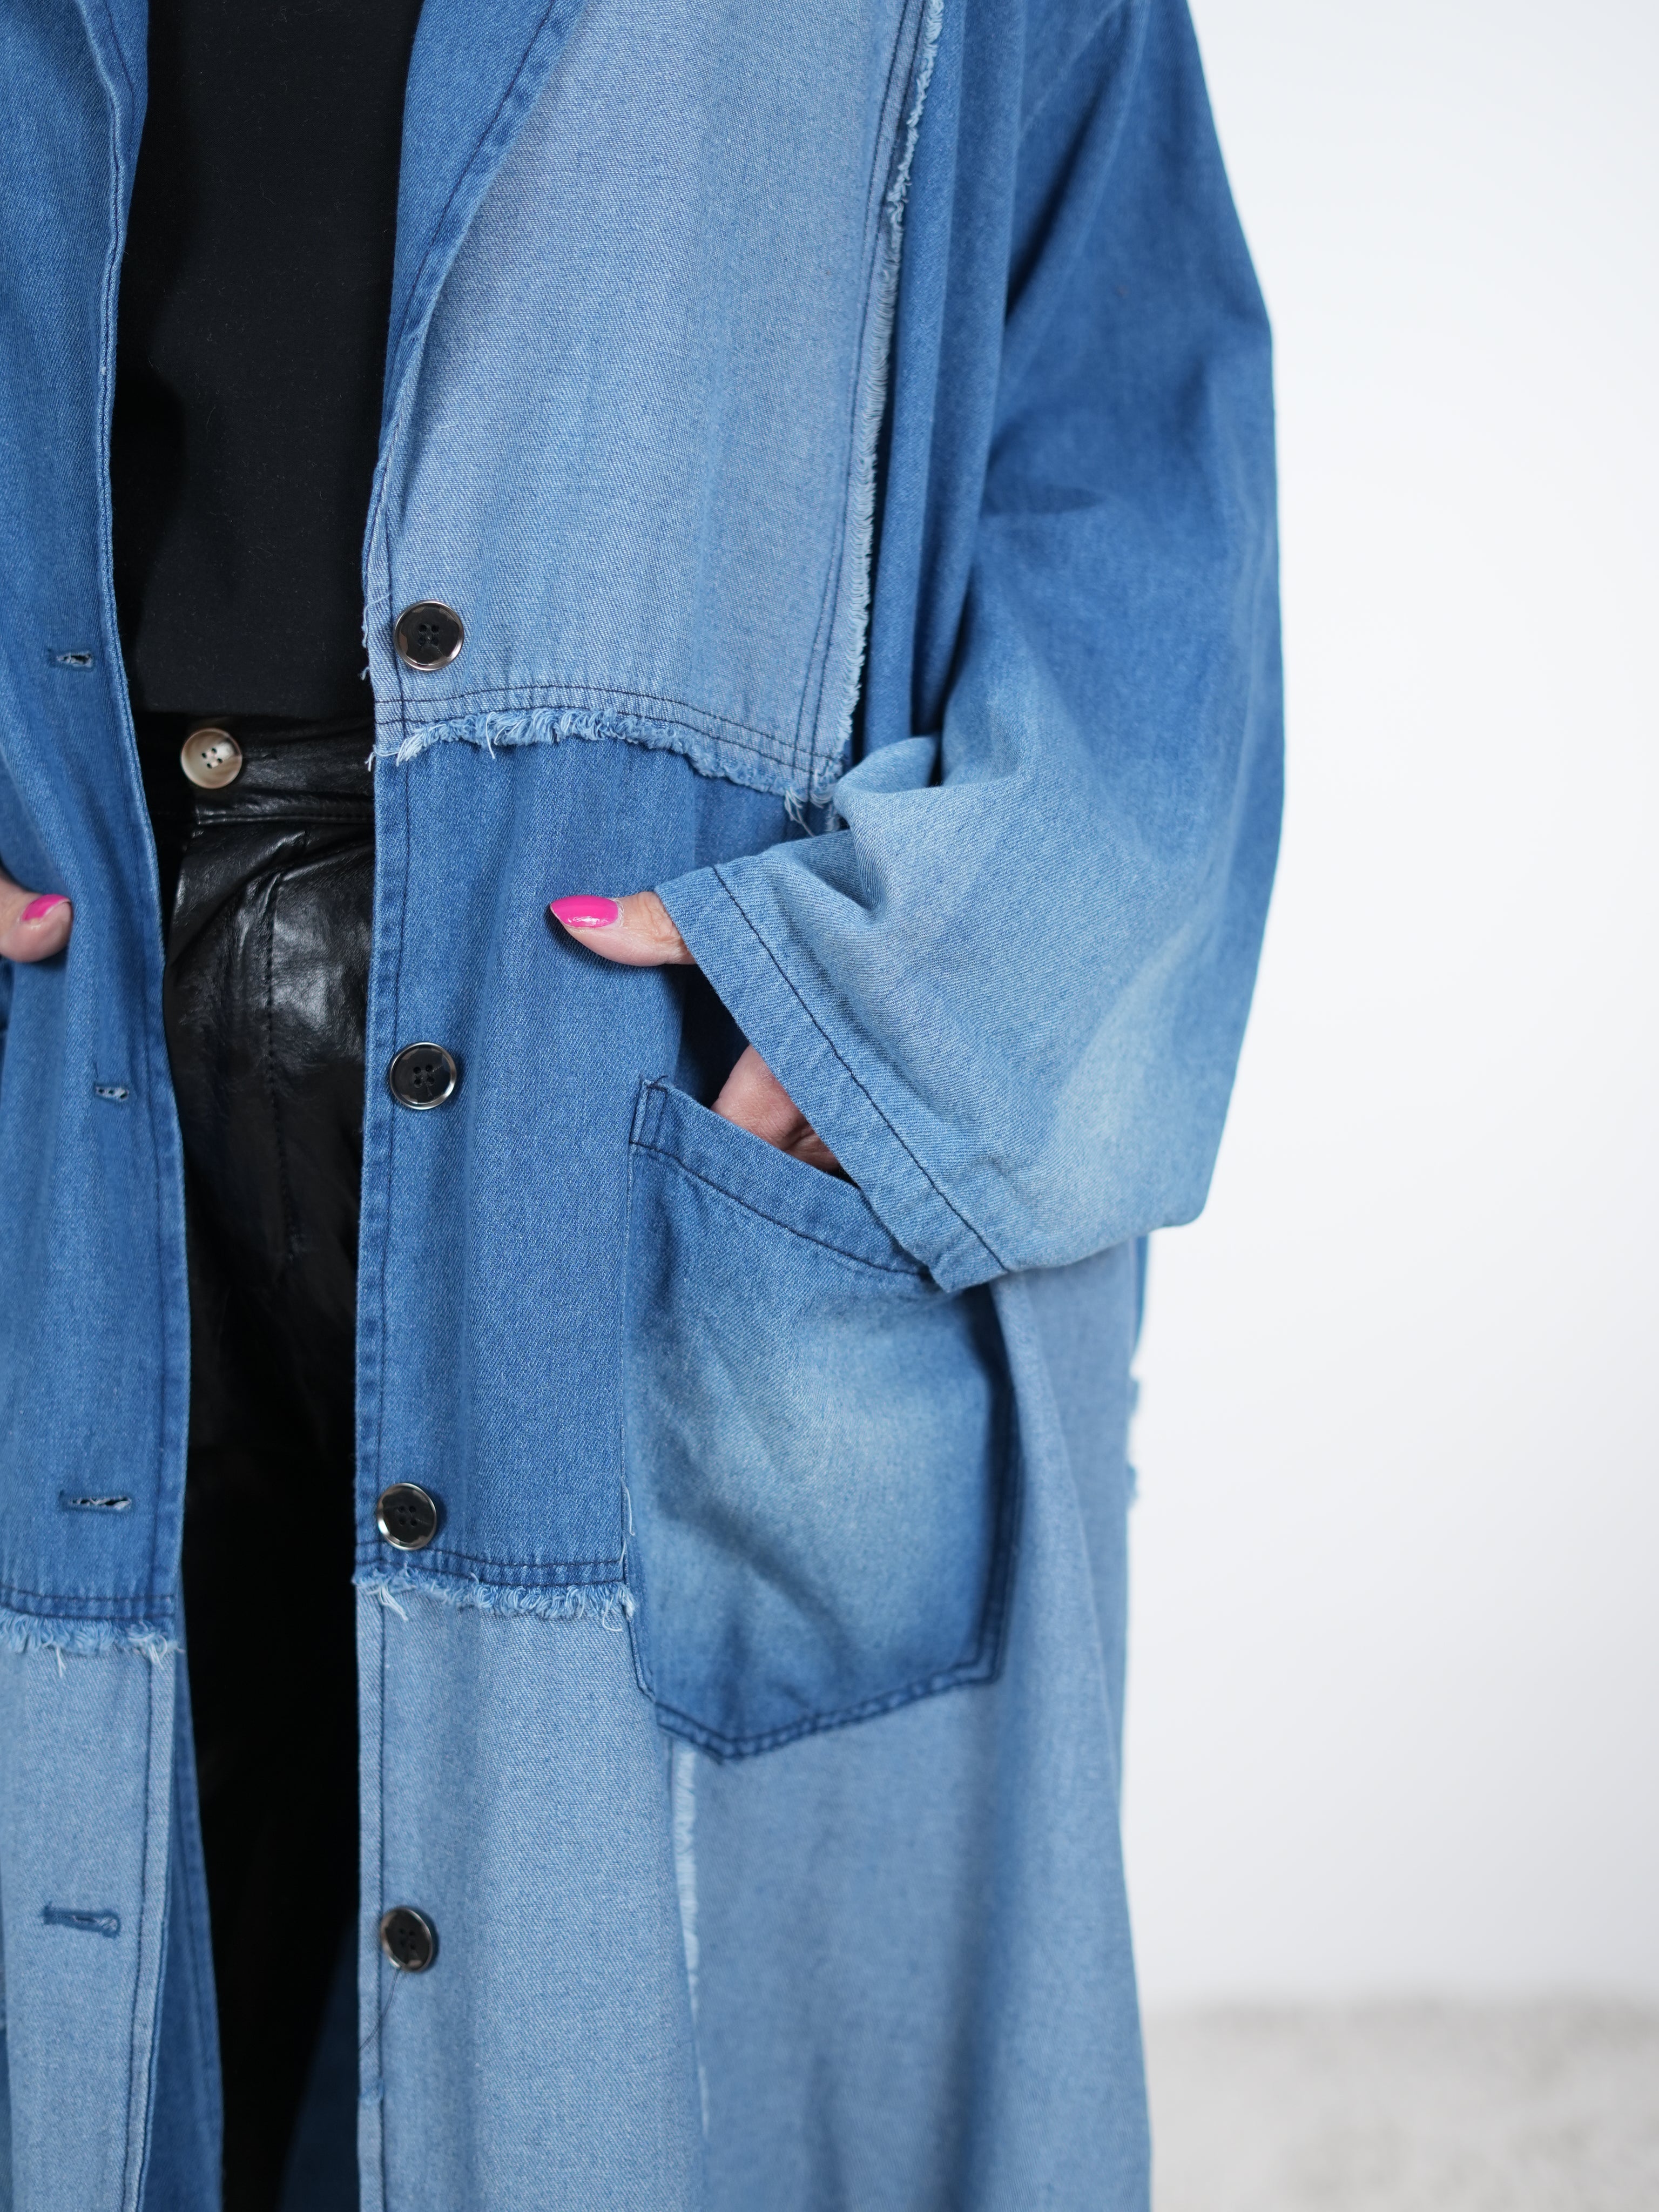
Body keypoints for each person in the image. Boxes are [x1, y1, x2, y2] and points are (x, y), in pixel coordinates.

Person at [0, 0, 1280, 2200]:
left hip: (632, 1060)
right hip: (71, 1034)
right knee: (108, 1972)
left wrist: (903, 1003)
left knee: (642, 2047)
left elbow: (1134, 437)